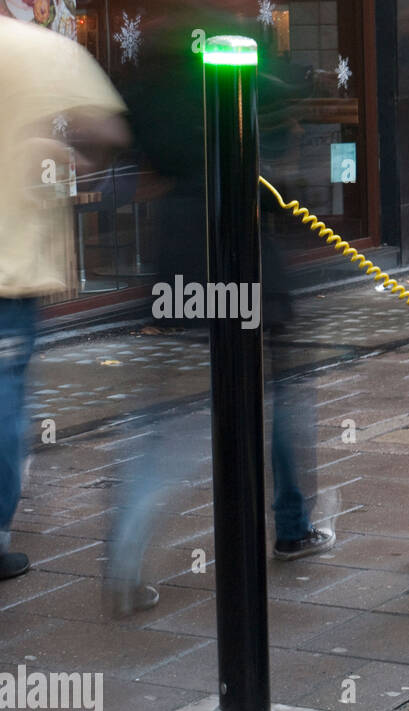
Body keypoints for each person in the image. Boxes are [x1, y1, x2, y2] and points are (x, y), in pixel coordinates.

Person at [104, 0, 332, 614]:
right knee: (284, 385)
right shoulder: (237, 54)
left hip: (178, 247)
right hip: (243, 246)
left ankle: (125, 548)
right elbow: (278, 145)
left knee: (167, 417)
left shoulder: (145, 76)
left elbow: (132, 156)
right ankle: (291, 524)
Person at [0, 20, 129, 582]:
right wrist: (71, 161)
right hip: (10, 272)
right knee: (4, 400)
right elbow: (106, 128)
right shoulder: (40, 48)